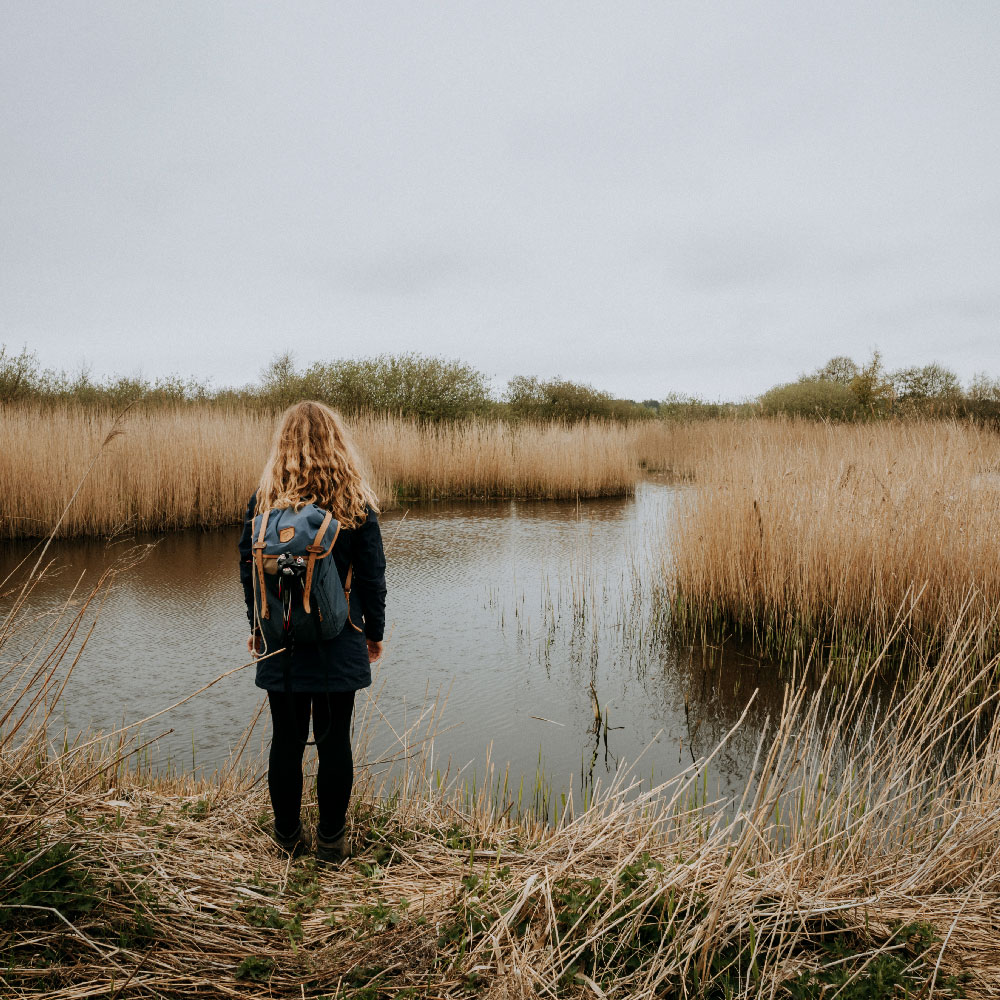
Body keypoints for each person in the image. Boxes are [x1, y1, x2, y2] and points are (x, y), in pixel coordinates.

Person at [238, 400, 386, 862]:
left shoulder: (262, 502)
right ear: (337, 443)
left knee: (285, 738)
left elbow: (248, 571)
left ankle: (286, 838)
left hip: (281, 637)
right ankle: (330, 840)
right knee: (334, 738)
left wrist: (257, 627)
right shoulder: (354, 502)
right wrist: (373, 632)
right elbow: (372, 575)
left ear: (283, 446)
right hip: (340, 637)